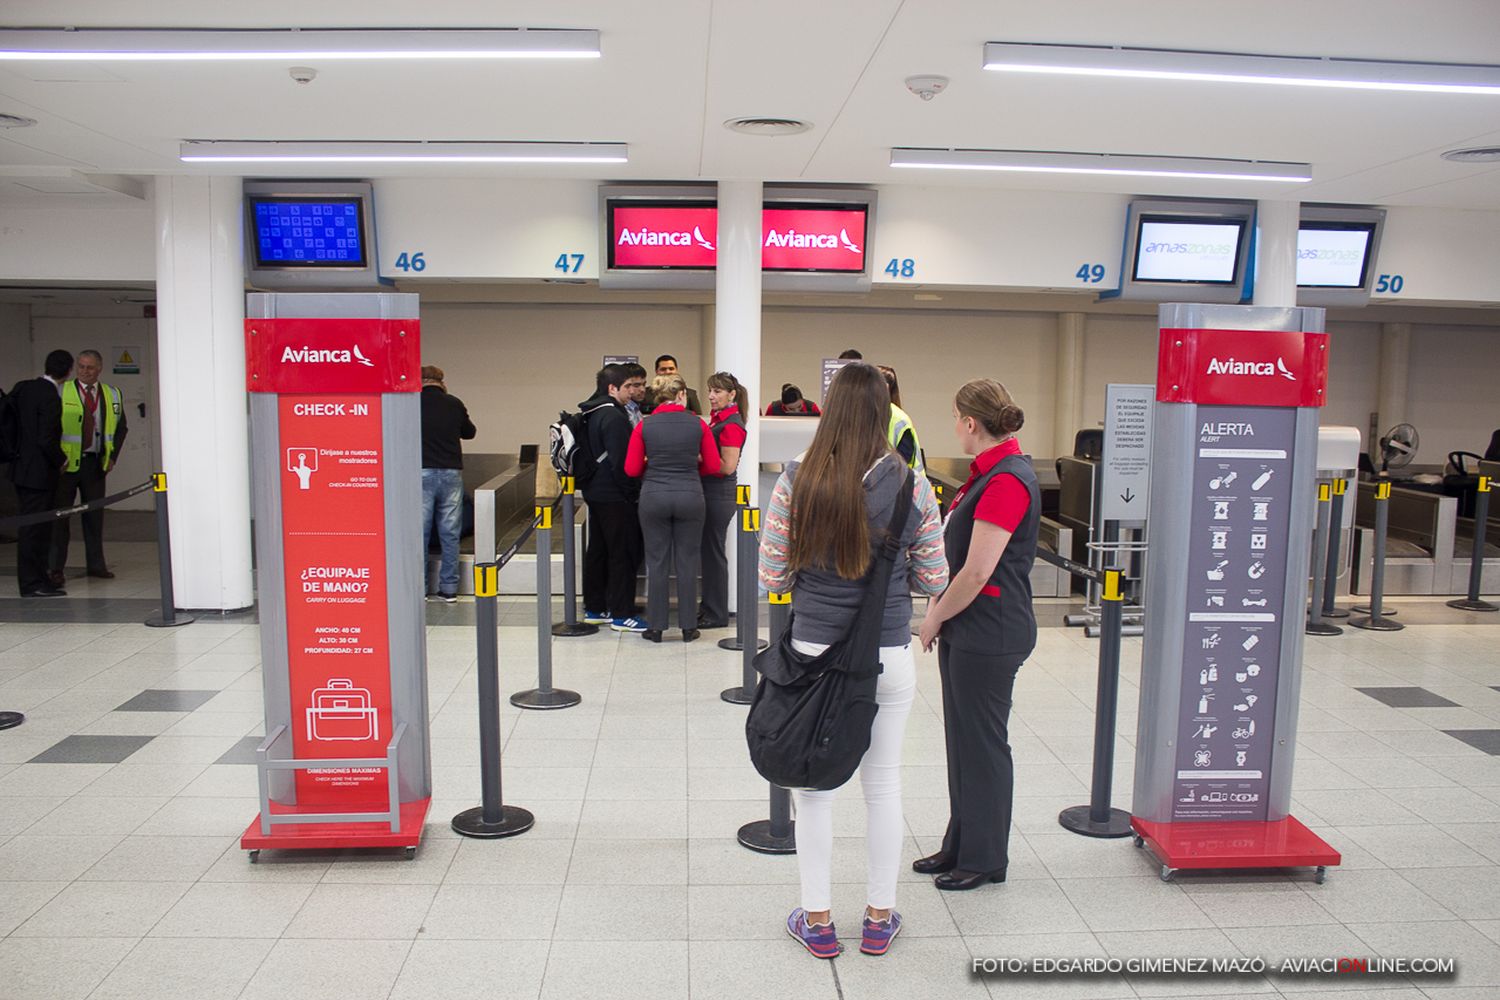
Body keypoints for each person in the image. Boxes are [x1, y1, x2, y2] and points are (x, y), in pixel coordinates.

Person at [758, 362, 947, 959]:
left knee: (813, 790)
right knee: (883, 784)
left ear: (831, 409)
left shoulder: (797, 478)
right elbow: (934, 575)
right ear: (885, 410)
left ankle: (816, 920)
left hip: (812, 652)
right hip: (886, 651)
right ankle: (877, 916)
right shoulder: (914, 485)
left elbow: (771, 573)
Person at [915, 379, 1039, 891]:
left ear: (970, 423)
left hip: (991, 631)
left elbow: (977, 571)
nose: (955, 427)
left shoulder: (1008, 481)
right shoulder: (988, 474)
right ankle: (960, 845)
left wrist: (935, 616)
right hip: (973, 628)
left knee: (984, 746)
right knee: (963, 743)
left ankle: (986, 858)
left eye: (955, 418)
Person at [623, 373, 719, 642]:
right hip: (690, 494)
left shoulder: (644, 426)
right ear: (681, 395)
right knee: (688, 561)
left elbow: (631, 469)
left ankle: (656, 627)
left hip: (654, 496)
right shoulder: (698, 425)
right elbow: (713, 466)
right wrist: (691, 464)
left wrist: (651, 464)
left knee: (657, 561)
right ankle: (689, 627)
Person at [49, 349, 128, 583]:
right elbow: (51, 427)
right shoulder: (62, 391)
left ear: (99, 369)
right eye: (81, 366)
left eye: (90, 367)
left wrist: (112, 456)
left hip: (95, 463)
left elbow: (121, 427)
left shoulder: (112, 394)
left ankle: (96, 564)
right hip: (66, 465)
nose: (85, 371)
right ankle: (55, 568)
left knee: (94, 517)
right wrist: (56, 459)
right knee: (61, 517)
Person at [578, 364, 648, 633]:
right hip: (615, 496)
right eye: (628, 386)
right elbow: (623, 464)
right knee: (623, 552)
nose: (633, 392)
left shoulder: (592, 411)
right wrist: (632, 493)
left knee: (599, 549)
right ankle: (622, 614)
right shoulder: (615, 417)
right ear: (612, 388)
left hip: (595, 491)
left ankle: (596, 608)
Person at [10, 350, 71, 597]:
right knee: (36, 529)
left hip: (20, 468)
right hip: (39, 474)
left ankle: (35, 578)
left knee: (29, 527)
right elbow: (46, 439)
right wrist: (61, 460)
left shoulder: (23, 388)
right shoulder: (50, 397)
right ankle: (33, 583)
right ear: (68, 371)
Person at [419, 365, 476, 603]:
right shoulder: (454, 403)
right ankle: (449, 589)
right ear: (441, 381)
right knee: (449, 532)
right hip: (451, 473)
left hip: (420, 472)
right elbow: (469, 432)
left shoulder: (411, 403)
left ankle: (419, 588)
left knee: (419, 533)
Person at [697, 370, 748, 629]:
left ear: (731, 394)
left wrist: (696, 458)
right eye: (710, 390)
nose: (711, 396)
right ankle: (708, 606)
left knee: (714, 553)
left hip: (718, 493)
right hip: (710, 492)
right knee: (708, 552)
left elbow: (727, 466)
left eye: (717, 391)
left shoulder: (731, 425)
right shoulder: (718, 421)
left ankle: (716, 613)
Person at [877, 364, 925, 476]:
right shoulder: (870, 413)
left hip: (905, 486)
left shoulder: (899, 419)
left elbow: (903, 461)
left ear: (885, 387)